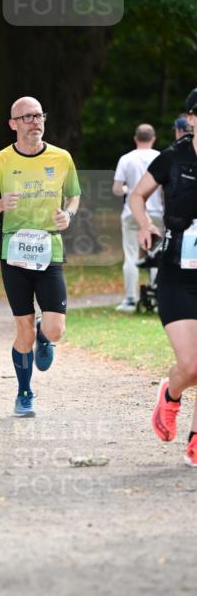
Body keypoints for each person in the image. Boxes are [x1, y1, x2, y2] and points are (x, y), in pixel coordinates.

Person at [0, 96, 81, 417]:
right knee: (22, 332)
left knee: (56, 329)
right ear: (13, 124)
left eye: (39, 116)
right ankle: (24, 393)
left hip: (50, 252)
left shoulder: (62, 158)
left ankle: (44, 337)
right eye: (27, 117)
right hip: (14, 255)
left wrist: (69, 215)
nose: (35, 121)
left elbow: (73, 195)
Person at [129, 95, 197, 468]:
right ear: (191, 118)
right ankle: (170, 396)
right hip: (176, 271)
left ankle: (196, 440)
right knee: (191, 366)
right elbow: (138, 195)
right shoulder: (172, 158)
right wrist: (145, 224)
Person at [112, 124, 164, 312]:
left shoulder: (126, 159)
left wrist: (130, 190)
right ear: (153, 138)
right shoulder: (160, 157)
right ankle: (158, 298)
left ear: (135, 138)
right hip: (156, 213)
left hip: (132, 213)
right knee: (157, 256)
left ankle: (130, 299)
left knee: (131, 255)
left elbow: (117, 189)